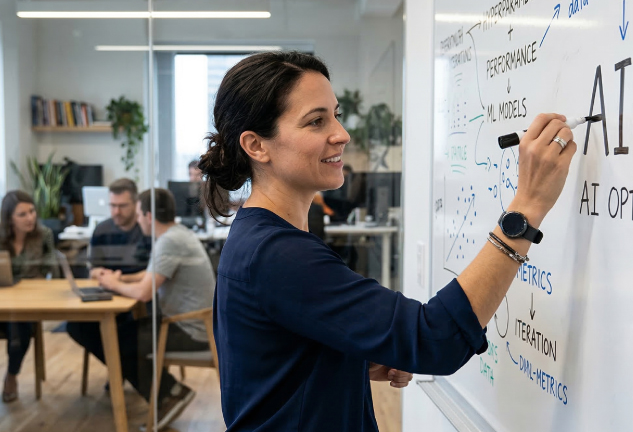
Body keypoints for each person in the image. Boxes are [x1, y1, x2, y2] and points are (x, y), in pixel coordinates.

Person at [197, 52, 576, 430]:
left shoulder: (257, 237)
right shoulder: (277, 254)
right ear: (256, 146)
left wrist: (347, 359)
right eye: (316, 121)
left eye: (336, 115)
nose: (342, 134)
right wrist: (526, 208)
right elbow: (435, 339)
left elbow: (275, 362)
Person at [67, 188, 216, 429]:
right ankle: (168, 393)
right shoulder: (176, 235)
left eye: (138, 214)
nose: (137, 220)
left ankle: (170, 395)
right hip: (191, 324)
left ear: (148, 215)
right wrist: (119, 278)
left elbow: (144, 292)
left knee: (115, 340)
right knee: (115, 333)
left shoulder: (169, 241)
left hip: (190, 330)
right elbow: (150, 276)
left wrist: (113, 284)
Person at [0, 190, 60, 406]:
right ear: (9, 218)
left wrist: (45, 280)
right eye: (22, 214)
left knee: (21, 327)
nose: (30, 218)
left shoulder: (43, 235)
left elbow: (52, 270)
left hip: (23, 301)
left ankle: (11, 376)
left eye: (32, 211)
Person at [88, 178, 151, 280]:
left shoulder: (147, 229)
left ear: (136, 204)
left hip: (139, 287)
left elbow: (154, 273)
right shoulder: (101, 230)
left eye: (122, 206)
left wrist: (119, 279)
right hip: (108, 285)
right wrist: (99, 272)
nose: (117, 212)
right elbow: (93, 269)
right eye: (113, 205)